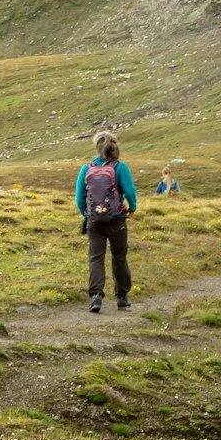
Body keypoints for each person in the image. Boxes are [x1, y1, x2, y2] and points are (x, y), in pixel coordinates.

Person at [74, 130, 137, 313]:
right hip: (117, 219)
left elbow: (79, 197)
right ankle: (122, 297)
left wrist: (87, 215)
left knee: (96, 258)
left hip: (95, 221)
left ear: (97, 147)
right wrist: (132, 208)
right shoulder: (120, 167)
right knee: (119, 257)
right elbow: (130, 192)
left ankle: (96, 296)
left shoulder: (86, 168)